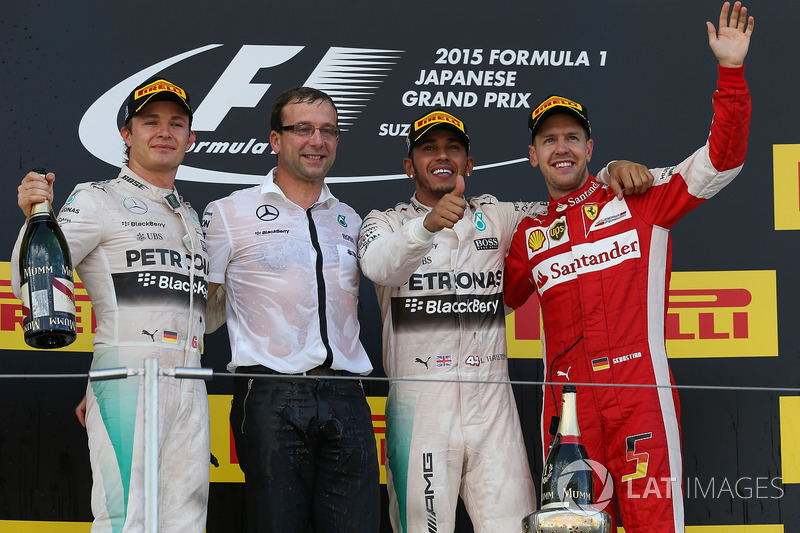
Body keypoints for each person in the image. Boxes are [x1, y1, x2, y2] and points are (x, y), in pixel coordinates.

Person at [503, 3, 753, 532]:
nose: (561, 148)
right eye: (549, 140)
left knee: (655, 526)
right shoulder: (526, 235)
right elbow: (485, 294)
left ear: (591, 147)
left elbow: (722, 160)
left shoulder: (637, 196)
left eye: (572, 137)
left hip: (641, 400)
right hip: (568, 415)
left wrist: (730, 73)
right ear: (532, 156)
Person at [356, 109, 652, 532]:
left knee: (515, 527)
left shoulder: (501, 217)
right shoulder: (383, 222)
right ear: (409, 166)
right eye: (428, 149)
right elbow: (378, 266)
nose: (442, 157)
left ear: (469, 164)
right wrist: (425, 227)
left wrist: (607, 173)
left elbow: (565, 204)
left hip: (493, 407)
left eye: (453, 148)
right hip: (419, 410)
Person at [12, 77, 210, 532]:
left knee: (187, 520)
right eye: (150, 122)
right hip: (127, 376)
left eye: (176, 124)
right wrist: (33, 219)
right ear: (127, 134)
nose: (164, 132)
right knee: (127, 517)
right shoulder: (97, 198)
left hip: (190, 382)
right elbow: (35, 282)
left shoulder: (191, 215)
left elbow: (203, 313)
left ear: (190, 138)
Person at [202, 87, 379, 532]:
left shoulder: (352, 218)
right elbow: (196, 313)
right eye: (303, 129)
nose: (317, 141)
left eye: (328, 131)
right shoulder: (228, 213)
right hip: (269, 394)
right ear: (275, 140)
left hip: (347, 395)